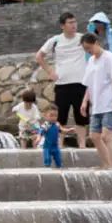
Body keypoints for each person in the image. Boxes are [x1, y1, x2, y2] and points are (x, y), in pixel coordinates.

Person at [36, 12, 88, 148]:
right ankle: (59, 145)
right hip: (62, 84)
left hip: (80, 83)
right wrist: (50, 71)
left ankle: (82, 145)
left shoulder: (82, 38)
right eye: (70, 23)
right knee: (60, 117)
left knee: (81, 117)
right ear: (62, 26)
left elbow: (94, 50)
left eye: (75, 22)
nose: (74, 25)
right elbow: (39, 56)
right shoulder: (55, 40)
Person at [80, 33, 112, 169]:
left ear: (96, 42)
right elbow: (89, 84)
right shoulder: (91, 61)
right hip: (96, 105)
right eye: (86, 49)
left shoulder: (109, 57)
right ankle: (105, 164)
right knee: (94, 136)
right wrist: (84, 102)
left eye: (89, 47)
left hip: (109, 103)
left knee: (107, 136)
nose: (89, 51)